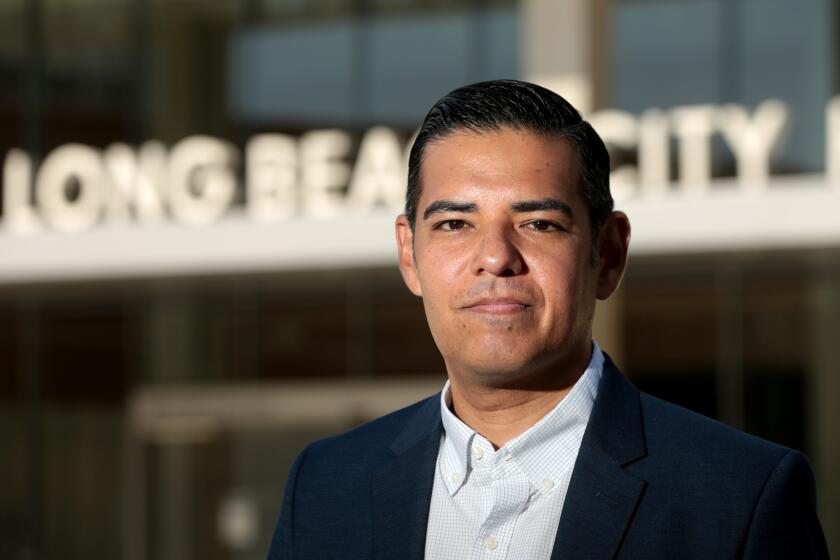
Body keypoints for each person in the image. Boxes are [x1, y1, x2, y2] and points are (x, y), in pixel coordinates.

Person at [267, 80, 828, 559]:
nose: (496, 257)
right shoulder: (325, 485)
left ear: (607, 255)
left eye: (538, 223)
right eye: (455, 224)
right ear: (409, 254)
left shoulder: (739, 497)